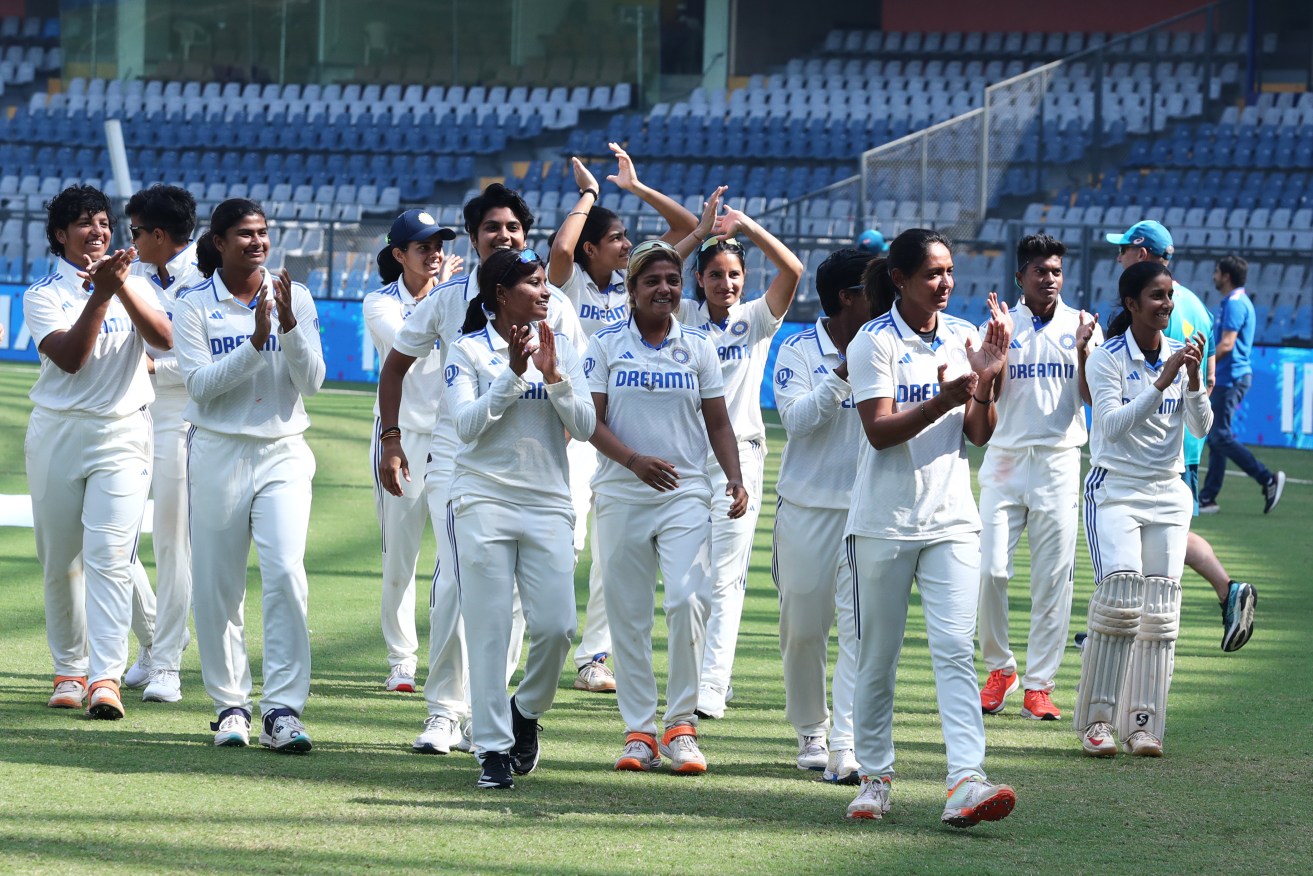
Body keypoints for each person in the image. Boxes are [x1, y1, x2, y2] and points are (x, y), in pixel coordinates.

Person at [378, 183, 583, 756]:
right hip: (457, 462)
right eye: (492, 228)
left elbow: (576, 383)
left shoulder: (554, 304)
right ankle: (446, 710)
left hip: (534, 475)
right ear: (473, 237)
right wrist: (392, 440)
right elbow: (395, 367)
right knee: (455, 580)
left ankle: (500, 710)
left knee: (522, 604)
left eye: (513, 227)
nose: (504, 235)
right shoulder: (446, 300)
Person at [842, 228, 1017, 827]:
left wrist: (989, 378)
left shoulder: (966, 335)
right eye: (933, 274)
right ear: (899, 279)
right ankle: (874, 777)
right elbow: (880, 431)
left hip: (951, 522)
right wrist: (944, 399)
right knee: (878, 657)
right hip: (883, 524)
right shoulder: (872, 342)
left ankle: (966, 779)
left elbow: (979, 432)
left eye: (949, 272)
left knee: (954, 651)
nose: (946, 283)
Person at [584, 238, 747, 774]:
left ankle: (681, 725)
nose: (665, 289)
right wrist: (632, 462)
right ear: (631, 290)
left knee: (687, 598)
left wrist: (735, 479)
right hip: (622, 490)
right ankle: (639, 732)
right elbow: (590, 422)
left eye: (673, 281)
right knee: (628, 617)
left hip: (685, 490)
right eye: (652, 281)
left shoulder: (698, 346)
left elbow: (718, 421)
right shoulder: (607, 344)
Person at [173, 199, 325, 751]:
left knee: (286, 572)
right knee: (218, 584)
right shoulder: (192, 304)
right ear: (217, 241)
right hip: (218, 450)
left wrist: (286, 327)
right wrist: (256, 342)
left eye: (262, 233)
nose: (257, 243)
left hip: (283, 450)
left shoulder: (296, 297)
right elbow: (201, 387)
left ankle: (283, 708)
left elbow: (313, 382)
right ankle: (230, 705)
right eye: (244, 234)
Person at [547, 143, 698, 694]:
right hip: (568, 426)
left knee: (610, 553)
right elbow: (562, 248)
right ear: (592, 247)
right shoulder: (566, 284)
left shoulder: (634, 285)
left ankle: (594, 656)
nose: (629, 246)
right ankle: (548, 639)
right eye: (617, 240)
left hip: (614, 433)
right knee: (568, 545)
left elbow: (691, 229)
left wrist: (633, 188)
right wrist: (589, 195)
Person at [446, 247, 595, 789]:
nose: (545, 291)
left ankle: (525, 710)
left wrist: (554, 376)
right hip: (482, 500)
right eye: (533, 283)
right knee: (487, 631)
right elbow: (466, 427)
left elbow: (583, 426)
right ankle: (491, 748)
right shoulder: (466, 351)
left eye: (545, 283)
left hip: (548, 501)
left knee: (557, 629)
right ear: (500, 295)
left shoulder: (560, 343)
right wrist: (511, 373)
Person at [24, 184, 172, 720]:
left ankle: (105, 677)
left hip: (123, 434)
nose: (99, 231)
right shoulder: (43, 293)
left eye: (105, 221)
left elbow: (163, 340)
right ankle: (69, 669)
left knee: (111, 558)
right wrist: (101, 295)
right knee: (61, 562)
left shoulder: (135, 282)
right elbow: (70, 359)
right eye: (85, 223)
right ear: (61, 235)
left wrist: (120, 288)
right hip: (58, 433)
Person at [673, 188, 803, 720]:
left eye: (734, 275)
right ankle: (699, 676)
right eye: (714, 274)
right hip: (683, 459)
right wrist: (700, 234)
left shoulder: (755, 320)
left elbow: (792, 270)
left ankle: (711, 686)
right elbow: (645, 273)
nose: (725, 283)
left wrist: (746, 227)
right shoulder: (678, 314)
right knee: (688, 583)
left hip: (741, 459)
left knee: (724, 577)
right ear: (698, 281)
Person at [1074, 261, 1211, 758]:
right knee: (1122, 602)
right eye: (1156, 296)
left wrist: (1192, 380)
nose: (1167, 305)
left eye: (1169, 295)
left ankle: (1143, 725)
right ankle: (1097, 723)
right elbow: (1108, 427)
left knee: (1161, 612)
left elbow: (1200, 428)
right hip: (1116, 490)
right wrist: (1161, 382)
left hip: (1169, 492)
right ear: (1131, 304)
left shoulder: (1180, 354)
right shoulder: (1107, 359)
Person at [1107, 220, 1256, 652]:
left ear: (1141, 253)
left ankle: (1226, 591)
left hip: (1155, 446)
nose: (1119, 258)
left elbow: (1152, 375)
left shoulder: (1153, 307)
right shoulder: (1193, 304)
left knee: (1157, 534)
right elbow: (1205, 378)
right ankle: (1134, 618)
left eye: (1124, 250)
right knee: (1164, 531)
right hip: (1183, 441)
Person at [976, 234, 1100, 722]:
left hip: (1058, 460)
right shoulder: (1003, 323)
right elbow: (991, 389)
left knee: (1053, 580)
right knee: (989, 571)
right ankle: (999, 668)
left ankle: (1040, 685)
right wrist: (998, 347)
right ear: (1020, 277)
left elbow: (1092, 399)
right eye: (1040, 271)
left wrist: (1087, 352)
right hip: (1005, 459)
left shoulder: (1082, 325)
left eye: (1056, 271)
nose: (1049, 279)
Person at [771, 248, 874, 783]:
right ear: (845, 297)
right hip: (807, 507)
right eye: (874, 287)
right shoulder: (797, 348)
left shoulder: (887, 343)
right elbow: (797, 422)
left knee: (861, 631)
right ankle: (811, 727)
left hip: (868, 511)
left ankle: (847, 742)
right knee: (804, 630)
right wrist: (842, 373)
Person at [363, 209, 461, 693]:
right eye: (422, 247)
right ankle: (402, 659)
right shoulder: (378, 302)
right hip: (398, 440)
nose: (434, 253)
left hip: (449, 440)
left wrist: (446, 294)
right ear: (399, 255)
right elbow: (410, 346)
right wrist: (444, 293)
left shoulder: (461, 300)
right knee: (400, 557)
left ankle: (449, 660)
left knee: (454, 556)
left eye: (438, 244)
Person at [124, 183, 204, 704]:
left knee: (174, 544)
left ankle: (167, 664)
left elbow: (211, 362)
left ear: (159, 234)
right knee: (112, 541)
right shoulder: (132, 276)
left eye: (134, 232)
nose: (127, 242)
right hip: (131, 418)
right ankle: (155, 639)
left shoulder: (208, 275)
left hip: (184, 421)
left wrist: (154, 366)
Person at [1200, 254, 1284, 519]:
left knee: (1219, 436)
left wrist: (1204, 366)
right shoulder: (1232, 302)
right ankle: (1208, 497)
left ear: (1225, 276)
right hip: (1229, 377)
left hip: (1230, 378)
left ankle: (1267, 478)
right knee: (1216, 437)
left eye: (1216, 271)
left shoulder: (1235, 303)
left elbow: (1227, 344)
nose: (1213, 276)